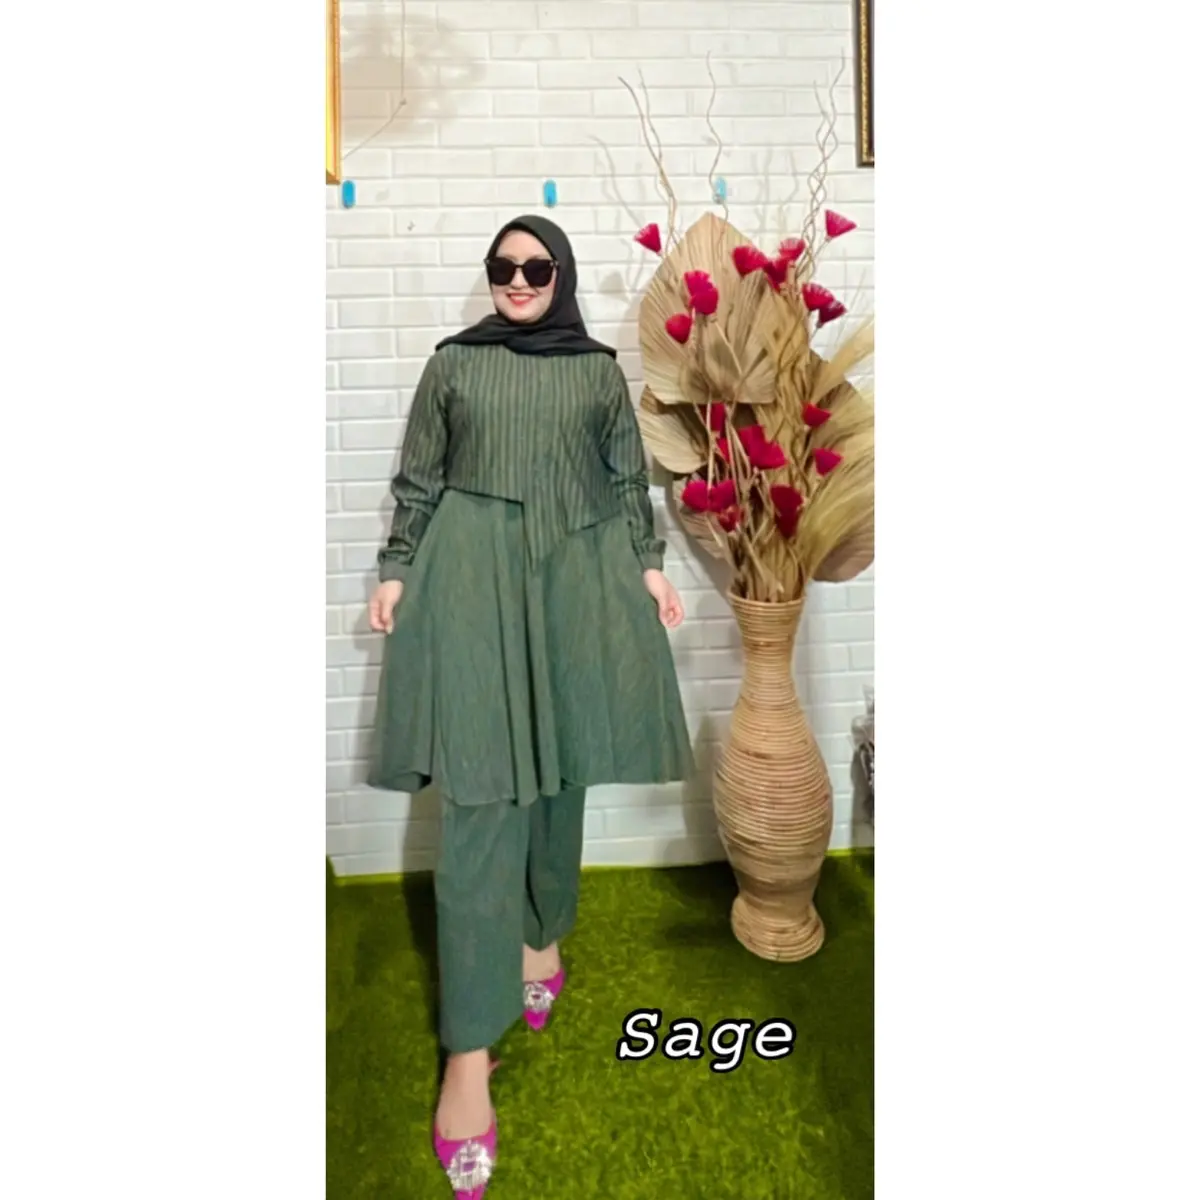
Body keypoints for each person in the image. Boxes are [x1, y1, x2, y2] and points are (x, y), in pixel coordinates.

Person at [364, 215, 694, 1199]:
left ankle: (541, 931)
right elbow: (420, 477)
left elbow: (627, 478)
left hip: (578, 571)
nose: (517, 280)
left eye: (536, 267)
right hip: (468, 578)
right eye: (503, 267)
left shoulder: (595, 372)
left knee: (563, 768)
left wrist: (648, 566)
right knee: (479, 796)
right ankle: (468, 1055)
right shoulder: (453, 365)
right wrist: (395, 568)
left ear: (562, 275)